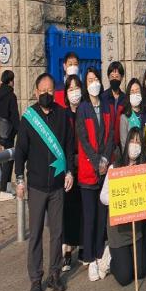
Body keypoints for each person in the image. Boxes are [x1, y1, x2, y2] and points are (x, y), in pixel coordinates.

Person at [15, 73, 75, 291]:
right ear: (35, 92)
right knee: (36, 234)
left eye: (50, 91)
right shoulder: (29, 118)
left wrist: (69, 171)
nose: (47, 94)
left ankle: (54, 274)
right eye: (43, 91)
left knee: (57, 233)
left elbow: (68, 145)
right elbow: (20, 151)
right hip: (37, 186)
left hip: (58, 185)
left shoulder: (62, 115)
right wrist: (19, 179)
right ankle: (35, 279)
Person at [99, 127, 146, 286]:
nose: (135, 145)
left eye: (138, 142)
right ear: (127, 143)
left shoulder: (143, 170)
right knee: (125, 278)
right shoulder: (115, 168)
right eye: (132, 140)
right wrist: (119, 198)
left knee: (140, 273)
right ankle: (110, 258)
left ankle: (127, 258)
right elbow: (103, 197)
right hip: (118, 231)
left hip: (135, 230)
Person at [76, 67, 114, 281]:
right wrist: (96, 160)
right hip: (88, 172)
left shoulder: (106, 106)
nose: (94, 83)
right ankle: (90, 258)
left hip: (104, 170)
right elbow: (83, 138)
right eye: (90, 80)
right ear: (86, 84)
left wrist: (105, 159)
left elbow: (110, 136)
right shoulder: (83, 108)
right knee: (89, 218)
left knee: (101, 217)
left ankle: (100, 254)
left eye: (96, 79)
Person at [62, 74, 83, 271]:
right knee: (69, 208)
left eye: (77, 88)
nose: (74, 92)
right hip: (69, 166)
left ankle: (83, 245)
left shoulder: (86, 110)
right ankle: (67, 249)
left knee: (83, 207)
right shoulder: (63, 115)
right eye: (71, 88)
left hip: (85, 165)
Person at [0, 70, 20, 200]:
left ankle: (6, 187)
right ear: (11, 81)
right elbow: (14, 116)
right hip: (8, 133)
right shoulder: (11, 96)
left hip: (0, 132)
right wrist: (20, 131)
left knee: (3, 159)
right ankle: (3, 191)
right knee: (9, 159)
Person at [101, 61, 126, 154]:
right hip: (105, 144)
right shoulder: (103, 97)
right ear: (108, 77)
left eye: (117, 77)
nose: (114, 79)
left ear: (122, 78)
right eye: (112, 77)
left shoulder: (125, 99)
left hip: (120, 144)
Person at [119, 78, 145, 149]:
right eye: (132, 92)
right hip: (131, 154)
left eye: (137, 91)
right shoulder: (124, 117)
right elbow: (124, 143)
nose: (135, 94)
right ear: (128, 95)